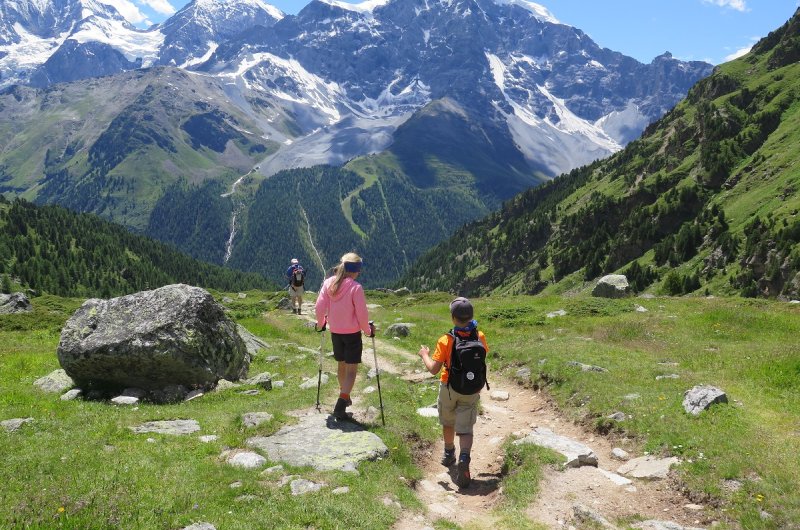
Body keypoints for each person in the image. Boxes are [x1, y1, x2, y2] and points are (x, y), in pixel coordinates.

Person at [417, 297, 489, 489]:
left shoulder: (446, 340)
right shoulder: (479, 336)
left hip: (449, 387)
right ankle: (464, 456)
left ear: (453, 318)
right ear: (471, 316)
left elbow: (433, 369)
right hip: (471, 390)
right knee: (465, 428)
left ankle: (449, 453)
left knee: (448, 421)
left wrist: (424, 354)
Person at [315, 252, 374, 420]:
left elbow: (319, 307)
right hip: (352, 334)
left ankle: (345, 394)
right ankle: (340, 405)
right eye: (359, 270)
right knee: (351, 371)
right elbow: (362, 314)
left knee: (341, 365)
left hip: (335, 332)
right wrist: (368, 331)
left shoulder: (328, 283)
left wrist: (321, 323)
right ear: (355, 270)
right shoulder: (356, 288)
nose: (359, 273)